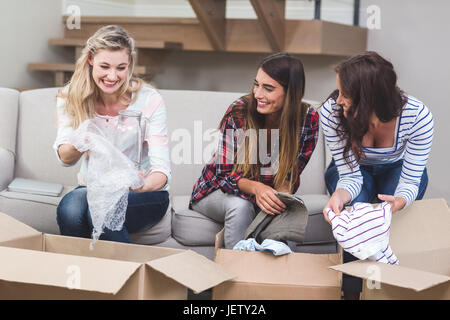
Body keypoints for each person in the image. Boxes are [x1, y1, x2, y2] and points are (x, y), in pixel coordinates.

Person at [320, 51, 434, 299]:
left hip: (397, 169)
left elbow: (411, 180)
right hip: (352, 170)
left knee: (387, 215)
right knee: (355, 212)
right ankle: (350, 292)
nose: (338, 99)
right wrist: (340, 196)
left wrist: (401, 201)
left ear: (368, 98)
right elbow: (349, 177)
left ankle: (385, 290)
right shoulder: (332, 113)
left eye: (345, 94)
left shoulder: (417, 116)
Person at [189, 52, 320, 249]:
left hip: (265, 194)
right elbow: (224, 175)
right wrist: (257, 189)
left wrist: (282, 199)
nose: (258, 94)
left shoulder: (308, 119)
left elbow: (290, 176)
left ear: (291, 93)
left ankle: (281, 275)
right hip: (216, 190)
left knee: (290, 211)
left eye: (268, 88)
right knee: (241, 206)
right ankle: (238, 274)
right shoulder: (240, 111)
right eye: (256, 84)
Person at [54, 25, 171, 243]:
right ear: (90, 60)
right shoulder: (71, 97)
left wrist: (139, 186)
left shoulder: (149, 100)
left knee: (104, 212)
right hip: (93, 187)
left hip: (143, 193)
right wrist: (83, 136)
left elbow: (162, 171)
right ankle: (81, 273)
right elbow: (64, 158)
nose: (112, 76)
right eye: (105, 66)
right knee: (69, 209)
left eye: (121, 68)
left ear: (130, 65)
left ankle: (127, 275)